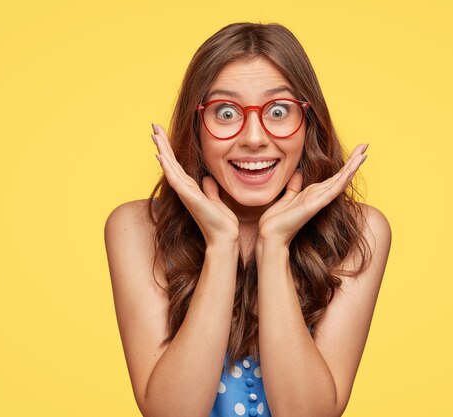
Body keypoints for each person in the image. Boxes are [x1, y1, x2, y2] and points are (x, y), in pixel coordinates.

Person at [104, 22, 392, 417]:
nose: (254, 137)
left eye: (278, 110)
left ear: (308, 124)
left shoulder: (361, 232)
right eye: (225, 112)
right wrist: (220, 245)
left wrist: (274, 245)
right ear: (196, 126)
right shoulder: (135, 229)